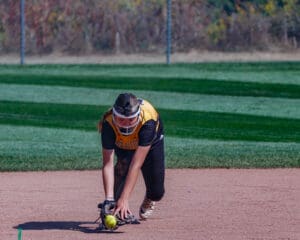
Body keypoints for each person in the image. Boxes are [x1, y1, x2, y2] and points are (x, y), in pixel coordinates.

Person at [98, 93, 165, 225]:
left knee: (157, 193)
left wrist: (125, 198)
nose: (126, 124)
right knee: (122, 168)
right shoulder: (108, 124)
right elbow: (108, 164)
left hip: (151, 144)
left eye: (131, 119)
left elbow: (136, 164)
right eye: (122, 119)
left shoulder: (148, 121)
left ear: (138, 115)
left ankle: (149, 198)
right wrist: (109, 198)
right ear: (115, 115)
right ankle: (115, 210)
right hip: (123, 143)